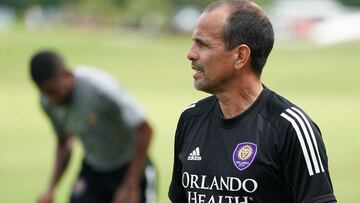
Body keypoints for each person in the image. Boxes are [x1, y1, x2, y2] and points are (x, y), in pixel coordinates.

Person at [168, 0, 336, 202]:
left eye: (202, 44)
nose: (190, 54)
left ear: (240, 55)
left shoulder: (290, 128)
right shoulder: (191, 119)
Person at [30, 50, 157, 203]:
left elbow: (145, 130)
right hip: (93, 169)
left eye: (54, 92)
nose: (52, 100)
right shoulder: (47, 103)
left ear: (67, 75)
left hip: (130, 167)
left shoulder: (99, 88)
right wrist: (51, 189)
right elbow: (64, 143)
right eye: (45, 93)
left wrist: (130, 185)